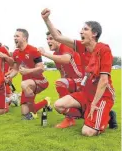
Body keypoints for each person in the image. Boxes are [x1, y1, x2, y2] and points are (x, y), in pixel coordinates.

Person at [41, 8, 117, 136]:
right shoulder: (82, 47)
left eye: (85, 29)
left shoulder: (104, 50)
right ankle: (88, 114)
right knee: (59, 105)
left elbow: (104, 81)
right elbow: (57, 37)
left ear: (95, 33)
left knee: (87, 132)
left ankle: (107, 116)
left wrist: (94, 104)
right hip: (86, 93)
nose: (81, 31)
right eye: (82, 29)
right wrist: (46, 19)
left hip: (103, 96)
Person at [38, 30, 84, 128]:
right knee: (61, 87)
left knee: (60, 83)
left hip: (82, 80)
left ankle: (71, 118)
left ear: (59, 39)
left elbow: (66, 59)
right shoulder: (55, 53)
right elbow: (62, 72)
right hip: (73, 81)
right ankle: (75, 114)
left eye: (51, 38)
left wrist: (45, 53)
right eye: (47, 39)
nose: (48, 41)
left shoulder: (66, 46)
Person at [6, 28, 52, 120]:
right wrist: (9, 76)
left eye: (17, 36)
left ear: (25, 38)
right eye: (14, 36)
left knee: (24, 84)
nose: (15, 38)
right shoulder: (15, 53)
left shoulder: (33, 50)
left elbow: (41, 68)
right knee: (24, 112)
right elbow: (15, 69)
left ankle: (34, 113)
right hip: (26, 85)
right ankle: (46, 102)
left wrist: (28, 71)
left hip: (40, 81)